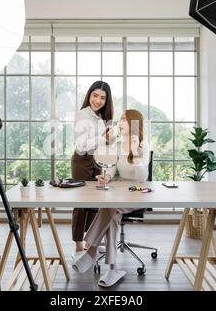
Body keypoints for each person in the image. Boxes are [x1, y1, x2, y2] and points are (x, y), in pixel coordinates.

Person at [72, 109, 150, 287]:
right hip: (121, 193)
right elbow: (113, 170)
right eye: (120, 120)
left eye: (123, 120)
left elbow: (142, 176)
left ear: (133, 123)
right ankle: (112, 269)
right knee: (112, 212)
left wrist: (134, 152)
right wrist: (106, 177)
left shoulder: (142, 145)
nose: (119, 123)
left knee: (110, 208)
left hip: (138, 193)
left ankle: (91, 251)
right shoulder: (117, 144)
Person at [71, 80, 114, 261]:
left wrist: (111, 139)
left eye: (102, 98)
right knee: (82, 204)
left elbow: (104, 143)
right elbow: (81, 145)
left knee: (95, 203)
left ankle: (90, 240)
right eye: (95, 95)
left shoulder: (101, 117)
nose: (98, 100)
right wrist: (102, 137)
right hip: (82, 160)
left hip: (97, 160)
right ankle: (78, 244)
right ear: (89, 95)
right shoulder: (83, 115)